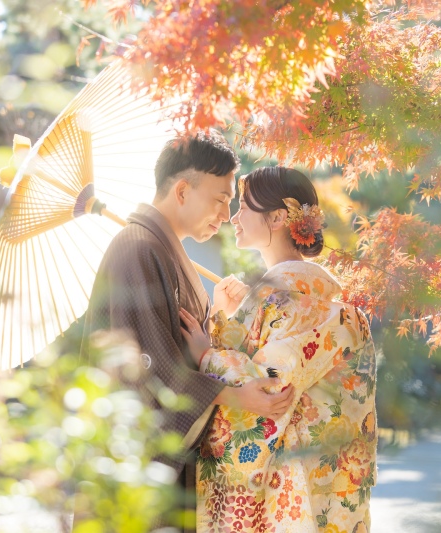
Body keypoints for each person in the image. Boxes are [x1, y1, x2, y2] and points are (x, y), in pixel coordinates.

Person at [81, 133, 295, 532]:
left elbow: (178, 345)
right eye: (220, 198)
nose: (226, 212)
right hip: (137, 464)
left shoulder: (159, 248)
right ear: (182, 190)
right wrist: (234, 396)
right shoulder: (137, 249)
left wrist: (217, 314)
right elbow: (149, 367)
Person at [179, 166, 377, 533]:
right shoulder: (323, 309)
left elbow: (270, 390)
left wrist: (207, 354)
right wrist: (226, 317)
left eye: (243, 208)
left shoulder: (293, 304)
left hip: (291, 497)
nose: (233, 218)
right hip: (324, 495)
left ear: (277, 218)